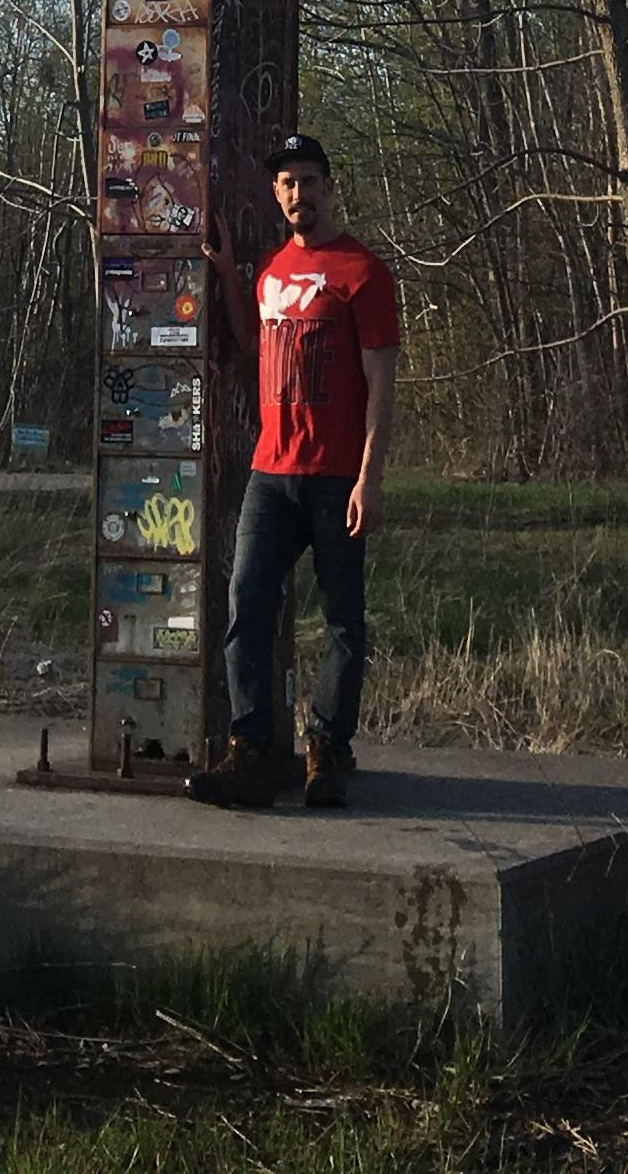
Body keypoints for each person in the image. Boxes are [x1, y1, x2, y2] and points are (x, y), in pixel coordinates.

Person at [186, 130, 400, 811]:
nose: (297, 193)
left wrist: (370, 474)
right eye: (286, 184)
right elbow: (254, 348)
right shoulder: (273, 272)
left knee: (342, 618)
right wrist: (225, 277)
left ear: (328, 187)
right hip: (271, 474)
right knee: (247, 604)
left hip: (337, 475)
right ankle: (248, 751)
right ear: (276, 195)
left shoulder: (364, 273)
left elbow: (382, 382)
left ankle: (327, 754)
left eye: (307, 180)